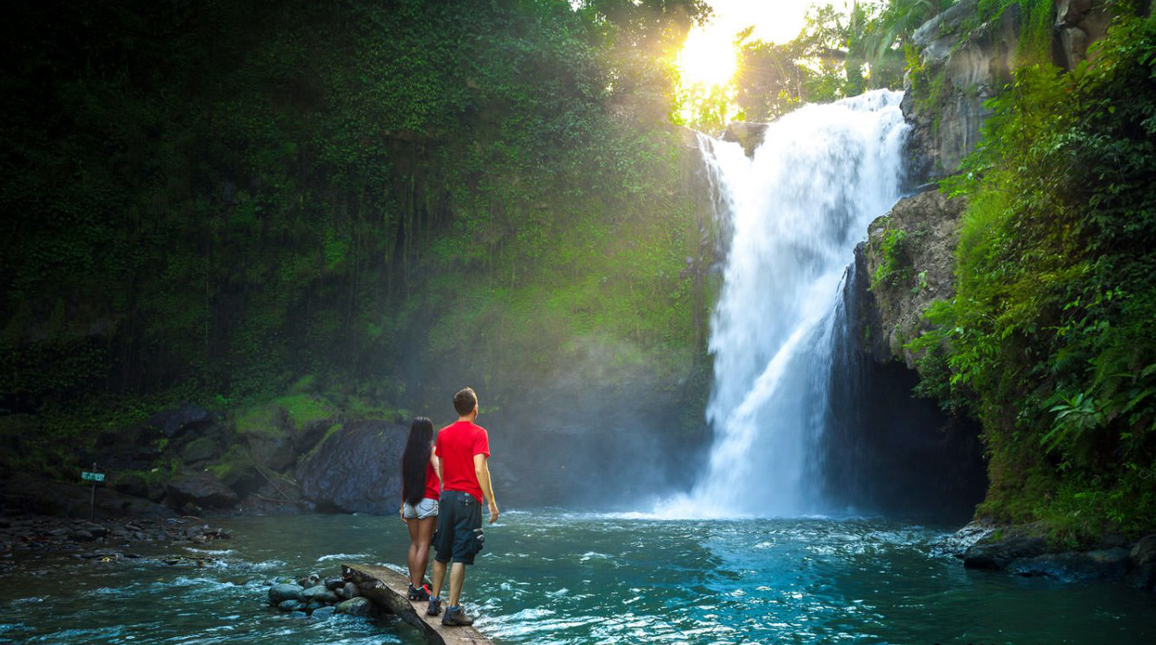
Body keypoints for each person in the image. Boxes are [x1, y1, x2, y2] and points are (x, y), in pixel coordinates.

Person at [426, 387, 499, 626]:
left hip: (447, 497)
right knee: (460, 553)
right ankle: (453, 610)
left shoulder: (444, 433)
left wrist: (447, 488)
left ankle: (434, 601)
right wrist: (491, 501)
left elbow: (442, 467)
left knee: (442, 551)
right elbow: (480, 468)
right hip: (469, 499)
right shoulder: (480, 433)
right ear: (475, 408)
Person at [399, 417, 441, 601]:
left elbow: (404, 482)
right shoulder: (431, 450)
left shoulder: (408, 455)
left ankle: (413, 585)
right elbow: (438, 468)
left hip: (410, 503)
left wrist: (401, 506)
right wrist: (447, 483)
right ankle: (418, 587)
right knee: (424, 544)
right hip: (427, 501)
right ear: (428, 433)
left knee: (415, 544)